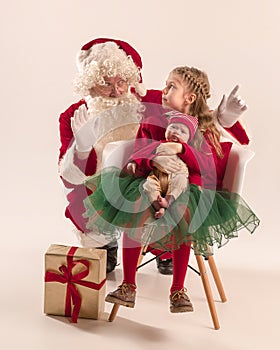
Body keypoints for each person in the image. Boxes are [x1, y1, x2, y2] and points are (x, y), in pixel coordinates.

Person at [58, 37, 251, 275]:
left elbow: (191, 116)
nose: (117, 90)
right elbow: (70, 176)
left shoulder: (148, 100)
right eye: (105, 83)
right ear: (89, 84)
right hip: (103, 182)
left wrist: (222, 118)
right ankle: (104, 242)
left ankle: (163, 248)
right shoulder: (73, 116)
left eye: (122, 81)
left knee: (164, 194)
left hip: (148, 173)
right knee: (87, 199)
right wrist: (82, 148)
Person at [86, 65, 259, 313]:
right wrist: (151, 161)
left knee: (185, 213)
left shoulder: (203, 127)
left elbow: (208, 167)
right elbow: (137, 155)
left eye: (171, 86)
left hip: (189, 187)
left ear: (189, 98)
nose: (164, 91)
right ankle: (128, 285)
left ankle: (178, 289)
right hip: (150, 180)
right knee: (136, 209)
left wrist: (183, 150)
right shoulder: (153, 121)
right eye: (166, 84)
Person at [127, 112, 198, 219]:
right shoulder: (157, 144)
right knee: (148, 186)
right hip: (156, 175)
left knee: (181, 181)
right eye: (173, 127)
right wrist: (134, 162)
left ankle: (168, 201)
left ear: (188, 139)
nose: (176, 132)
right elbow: (142, 153)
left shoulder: (186, 150)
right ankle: (159, 207)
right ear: (166, 129)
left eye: (183, 132)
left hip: (177, 175)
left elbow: (197, 164)